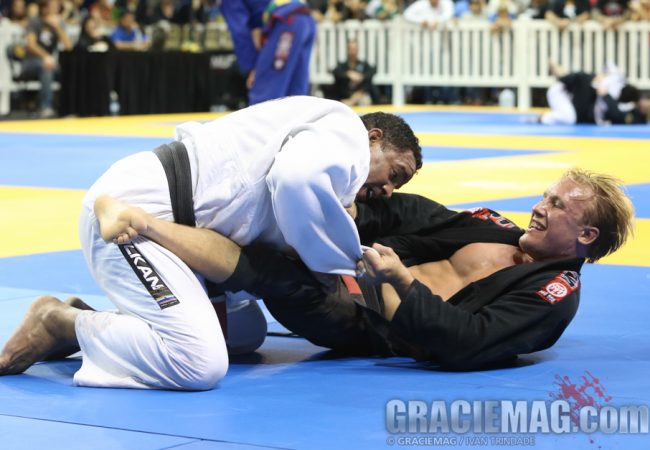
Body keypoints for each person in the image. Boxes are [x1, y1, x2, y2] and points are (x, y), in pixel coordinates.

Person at [0, 96, 422, 390]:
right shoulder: (345, 132)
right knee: (199, 363)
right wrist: (341, 262)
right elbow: (296, 182)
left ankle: (93, 326)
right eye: (395, 174)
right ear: (373, 137)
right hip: (137, 220)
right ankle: (59, 322)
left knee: (244, 335)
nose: (388, 190)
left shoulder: (326, 158)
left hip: (181, 235)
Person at [86, 168, 633, 369]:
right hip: (360, 269)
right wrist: (353, 207)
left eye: (556, 206)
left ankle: (146, 224)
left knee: (276, 273)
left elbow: (469, 342)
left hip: (371, 322)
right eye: (545, 196)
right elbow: (414, 214)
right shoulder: (496, 227)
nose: (539, 206)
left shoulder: (554, 293)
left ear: (585, 236)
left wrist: (397, 281)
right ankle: (92, 318)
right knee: (285, 227)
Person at [221, 0, 317, 105]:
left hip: (286, 22)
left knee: (265, 98)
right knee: (295, 96)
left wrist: (252, 67)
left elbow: (240, 32)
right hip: (306, 18)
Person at [540, 61, 650, 125]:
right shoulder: (629, 91)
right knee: (585, 79)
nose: (645, 102)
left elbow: (617, 114)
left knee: (571, 117)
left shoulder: (636, 116)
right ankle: (561, 73)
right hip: (565, 91)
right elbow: (610, 66)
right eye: (647, 100)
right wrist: (602, 76)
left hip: (577, 101)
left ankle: (543, 118)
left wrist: (606, 95)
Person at [22, 0, 73, 117]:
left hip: (51, 62)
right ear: (44, 8)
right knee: (46, 68)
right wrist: (46, 56)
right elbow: (31, 44)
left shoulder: (58, 22)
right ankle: (46, 107)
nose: (57, 9)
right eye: (53, 6)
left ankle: (68, 107)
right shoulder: (35, 21)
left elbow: (68, 46)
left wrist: (58, 27)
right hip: (31, 61)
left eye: (57, 7)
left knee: (69, 70)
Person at [331, 39, 377, 107]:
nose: (353, 51)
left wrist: (361, 77)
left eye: (354, 49)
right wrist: (348, 74)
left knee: (365, 96)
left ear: (358, 50)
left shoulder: (364, 65)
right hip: (344, 98)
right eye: (351, 49)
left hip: (361, 97)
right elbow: (335, 72)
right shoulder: (342, 66)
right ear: (347, 50)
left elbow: (372, 72)